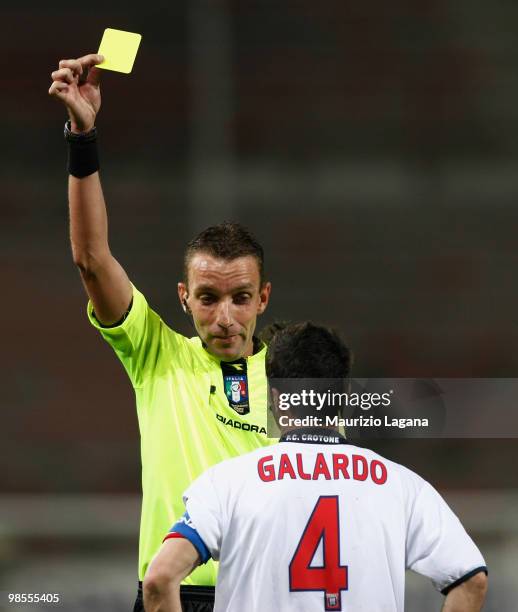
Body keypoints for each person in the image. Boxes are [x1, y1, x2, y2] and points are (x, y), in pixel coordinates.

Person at [48, 54, 273, 612]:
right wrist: (83, 136)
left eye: (241, 298)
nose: (225, 316)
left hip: (269, 595)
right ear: (183, 298)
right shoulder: (156, 355)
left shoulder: (299, 378)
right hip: (172, 594)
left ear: (263, 298)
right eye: (208, 297)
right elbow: (92, 258)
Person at [143, 322, 488, 611]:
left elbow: (160, 579)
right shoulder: (402, 486)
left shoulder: (227, 483)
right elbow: (470, 579)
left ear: (277, 397)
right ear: (344, 395)